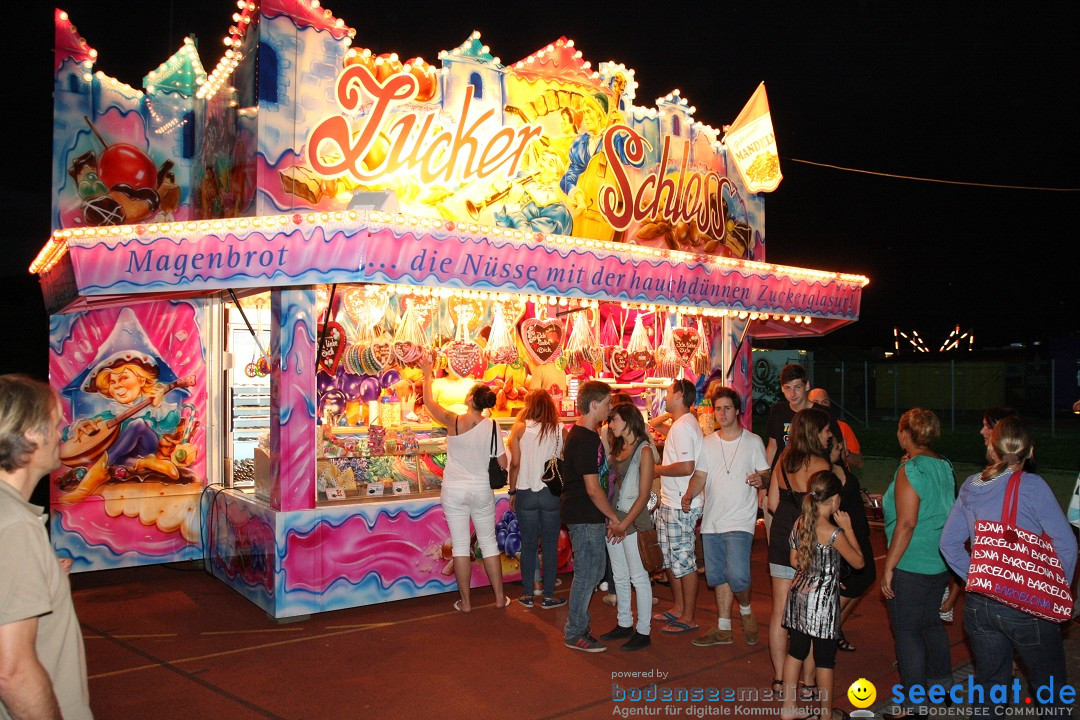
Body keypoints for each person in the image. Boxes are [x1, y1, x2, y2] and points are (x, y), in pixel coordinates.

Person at [940, 417, 1076, 718]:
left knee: (990, 691)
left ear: (993, 447)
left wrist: (980, 577)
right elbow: (1067, 545)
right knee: (1051, 693)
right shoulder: (1034, 486)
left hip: (980, 605)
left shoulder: (972, 485)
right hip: (1027, 604)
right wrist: (1054, 591)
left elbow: (949, 544)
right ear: (1030, 451)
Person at [0, 374, 93, 720]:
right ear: (31, 434)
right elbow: (12, 672)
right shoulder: (14, 525)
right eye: (55, 424)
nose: (62, 433)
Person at [880, 408, 955, 719]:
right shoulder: (945, 466)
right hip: (939, 559)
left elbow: (907, 523)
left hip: (912, 561)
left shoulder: (910, 471)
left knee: (908, 633)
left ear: (904, 434)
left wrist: (889, 567)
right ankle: (943, 689)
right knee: (930, 624)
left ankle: (915, 708)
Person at [420, 355, 508, 612]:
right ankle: (500, 598)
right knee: (489, 543)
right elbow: (502, 462)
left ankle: (466, 603)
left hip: (455, 489)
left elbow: (428, 402)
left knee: (459, 545)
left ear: (470, 400)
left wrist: (427, 374)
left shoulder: (453, 420)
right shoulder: (493, 426)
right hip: (482, 489)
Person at [683, 387, 768, 648]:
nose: (721, 413)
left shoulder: (753, 441)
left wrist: (760, 479)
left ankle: (745, 610)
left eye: (727, 408)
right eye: (717, 408)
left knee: (738, 575)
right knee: (718, 576)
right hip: (711, 521)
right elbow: (700, 476)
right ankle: (723, 628)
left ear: (737, 410)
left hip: (741, 519)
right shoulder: (708, 443)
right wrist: (688, 495)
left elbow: (766, 473)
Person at [781, 471, 864, 720]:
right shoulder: (833, 533)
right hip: (822, 603)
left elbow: (794, 560)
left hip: (798, 595)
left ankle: (788, 707)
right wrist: (848, 529)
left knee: (796, 651)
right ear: (835, 499)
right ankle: (826, 714)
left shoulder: (801, 523)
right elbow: (859, 563)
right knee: (825, 659)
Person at [766, 408, 832, 697]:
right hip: (808, 541)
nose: (829, 435)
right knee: (810, 613)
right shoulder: (820, 465)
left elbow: (770, 502)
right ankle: (808, 682)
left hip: (781, 535)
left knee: (780, 610)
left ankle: (780, 679)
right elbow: (823, 512)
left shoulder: (783, 458)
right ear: (814, 432)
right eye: (826, 430)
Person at [562, 380, 620, 652]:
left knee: (593, 571)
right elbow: (593, 487)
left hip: (588, 514)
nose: (610, 409)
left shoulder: (586, 435)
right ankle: (574, 631)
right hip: (585, 514)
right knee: (588, 573)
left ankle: (579, 625)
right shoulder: (584, 437)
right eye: (608, 403)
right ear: (594, 404)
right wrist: (613, 516)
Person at [598, 403, 656, 651]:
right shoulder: (617, 448)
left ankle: (643, 630)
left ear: (629, 420)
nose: (611, 424)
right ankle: (624, 623)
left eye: (615, 419)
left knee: (638, 577)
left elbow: (644, 495)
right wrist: (613, 520)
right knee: (620, 576)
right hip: (615, 520)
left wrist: (623, 523)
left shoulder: (644, 451)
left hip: (632, 521)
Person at [651, 379, 704, 634]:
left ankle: (689, 615)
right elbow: (654, 425)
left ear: (680, 394)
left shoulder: (683, 426)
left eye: (670, 393)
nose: (665, 396)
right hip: (673, 501)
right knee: (671, 559)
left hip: (681, 502)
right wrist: (674, 409)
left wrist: (657, 470)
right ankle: (679, 608)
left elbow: (686, 467)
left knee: (683, 560)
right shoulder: (682, 423)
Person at [507, 389, 566, 610]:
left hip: (526, 493)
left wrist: (512, 491)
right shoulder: (561, 430)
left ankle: (528, 594)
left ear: (529, 406)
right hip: (551, 494)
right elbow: (564, 461)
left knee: (529, 545)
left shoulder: (521, 430)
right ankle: (549, 596)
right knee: (550, 546)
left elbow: (514, 464)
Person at [808, 388, 862, 469]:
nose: (820, 406)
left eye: (824, 402)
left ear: (829, 405)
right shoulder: (802, 428)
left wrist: (847, 453)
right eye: (815, 402)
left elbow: (859, 463)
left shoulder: (842, 427)